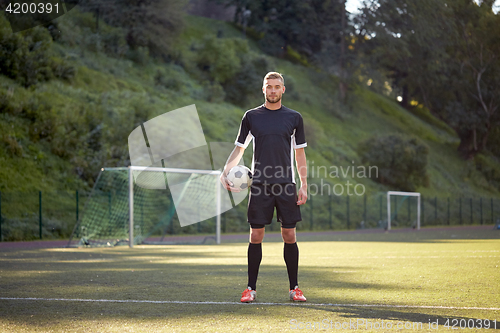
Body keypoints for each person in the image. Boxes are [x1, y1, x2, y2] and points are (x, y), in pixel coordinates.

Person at [220, 72, 308, 303]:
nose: (272, 90)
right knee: (256, 235)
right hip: (259, 184)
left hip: (286, 183)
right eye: (269, 87)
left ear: (283, 90)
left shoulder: (294, 117)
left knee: (289, 235)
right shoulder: (251, 117)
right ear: (263, 89)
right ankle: (250, 288)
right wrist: (225, 171)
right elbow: (239, 148)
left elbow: (300, 153)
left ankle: (294, 288)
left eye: (277, 87)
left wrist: (303, 184)